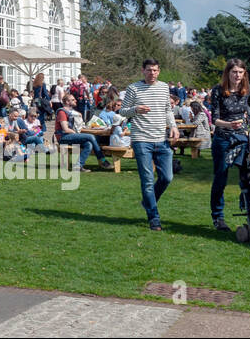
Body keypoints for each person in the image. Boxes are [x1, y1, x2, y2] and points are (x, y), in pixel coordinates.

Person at [119, 58, 179, 231]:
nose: (152, 73)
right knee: (147, 181)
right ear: (142, 71)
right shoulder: (133, 88)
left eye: (155, 70)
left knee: (167, 177)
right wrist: (135, 110)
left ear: (159, 71)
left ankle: (147, 202)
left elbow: (168, 110)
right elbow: (123, 111)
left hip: (161, 139)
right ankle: (154, 218)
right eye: (149, 70)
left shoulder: (163, 87)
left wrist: (174, 126)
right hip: (141, 139)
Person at [208, 58, 250, 231]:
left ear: (244, 73)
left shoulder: (247, 91)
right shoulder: (218, 90)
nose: (237, 75)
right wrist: (228, 125)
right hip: (223, 138)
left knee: (248, 178)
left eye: (240, 72)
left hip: (242, 138)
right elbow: (214, 119)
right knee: (221, 178)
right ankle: (218, 217)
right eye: (234, 72)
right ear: (228, 73)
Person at [55, 93, 114, 172]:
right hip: (63, 137)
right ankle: (102, 160)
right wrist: (77, 134)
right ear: (67, 102)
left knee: (88, 144)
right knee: (90, 137)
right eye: (72, 100)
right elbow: (65, 129)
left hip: (70, 136)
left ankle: (78, 166)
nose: (75, 101)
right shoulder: (62, 112)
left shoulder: (72, 112)